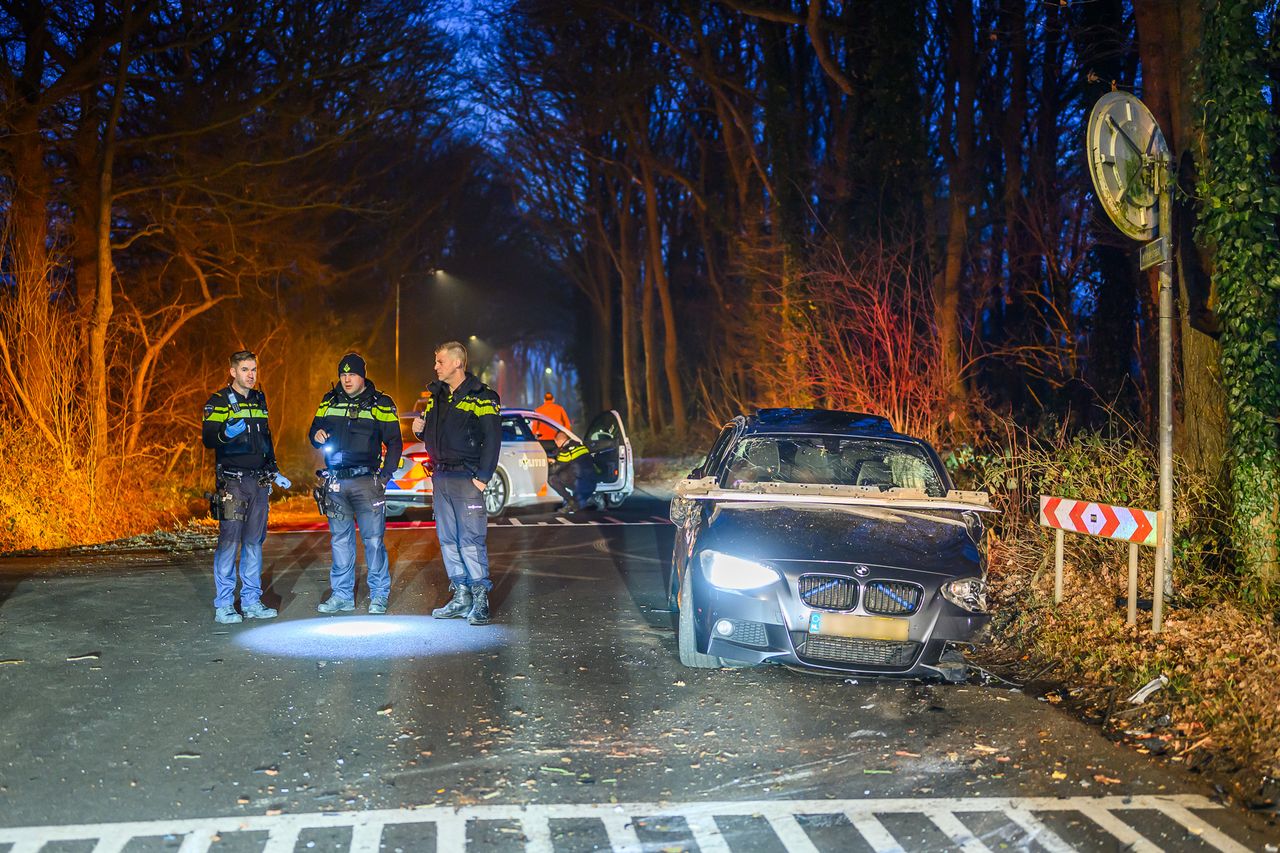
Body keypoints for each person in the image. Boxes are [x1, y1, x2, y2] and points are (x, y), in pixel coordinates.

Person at [411, 341, 501, 625]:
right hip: (441, 477)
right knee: (448, 539)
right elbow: (433, 437)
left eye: (440, 361)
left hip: (467, 477)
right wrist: (419, 433)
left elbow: (492, 439)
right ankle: (461, 596)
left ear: (457, 363)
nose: (435, 366)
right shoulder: (435, 396)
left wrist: (482, 478)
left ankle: (480, 598)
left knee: (471, 540)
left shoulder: (482, 396)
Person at [201, 350, 291, 624]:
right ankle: (224, 605)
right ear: (233, 372)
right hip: (233, 482)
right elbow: (208, 438)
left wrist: (274, 469)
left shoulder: (259, 400)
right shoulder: (218, 401)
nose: (251, 375)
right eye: (245, 370)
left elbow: (266, 439)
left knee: (254, 543)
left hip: (258, 482)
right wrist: (224, 434)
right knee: (229, 543)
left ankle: (252, 601)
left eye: (254, 369)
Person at [309, 353, 402, 615]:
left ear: (363, 375)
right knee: (340, 540)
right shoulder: (329, 400)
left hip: (367, 482)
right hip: (336, 481)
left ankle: (379, 595)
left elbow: (394, 442)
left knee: (373, 541)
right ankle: (341, 595)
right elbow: (313, 431)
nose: (347, 379)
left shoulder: (380, 403)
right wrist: (316, 435)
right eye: (343, 374)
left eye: (352, 374)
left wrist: (385, 476)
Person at [548, 430, 597, 514]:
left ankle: (572, 503)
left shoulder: (565, 451)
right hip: (592, 481)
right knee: (566, 473)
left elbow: (555, 469)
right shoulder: (579, 445)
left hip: (580, 483)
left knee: (553, 479)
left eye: (555, 443)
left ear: (557, 440)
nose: (556, 445)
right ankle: (587, 499)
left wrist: (549, 463)